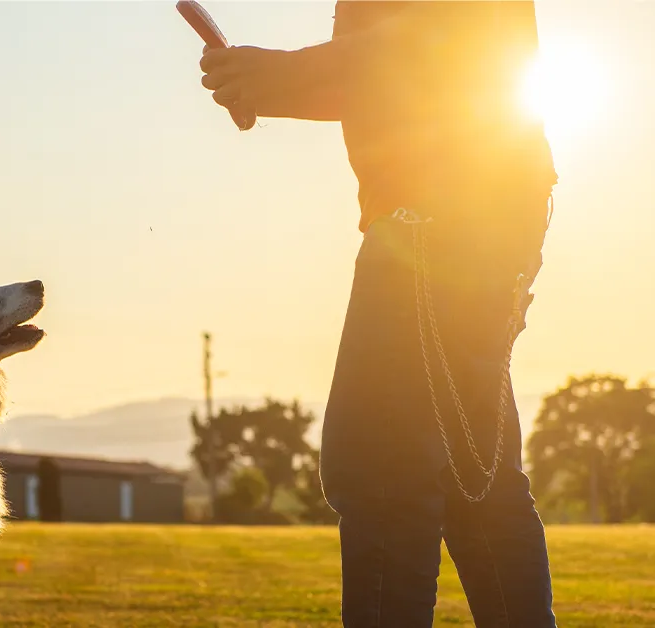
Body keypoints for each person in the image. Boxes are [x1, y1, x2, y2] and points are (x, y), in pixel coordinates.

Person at [198, 2, 558, 627]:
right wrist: (263, 84)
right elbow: (382, 78)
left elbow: (426, 44)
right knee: (474, 477)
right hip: (485, 209)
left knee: (381, 466)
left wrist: (278, 72)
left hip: (438, 217)